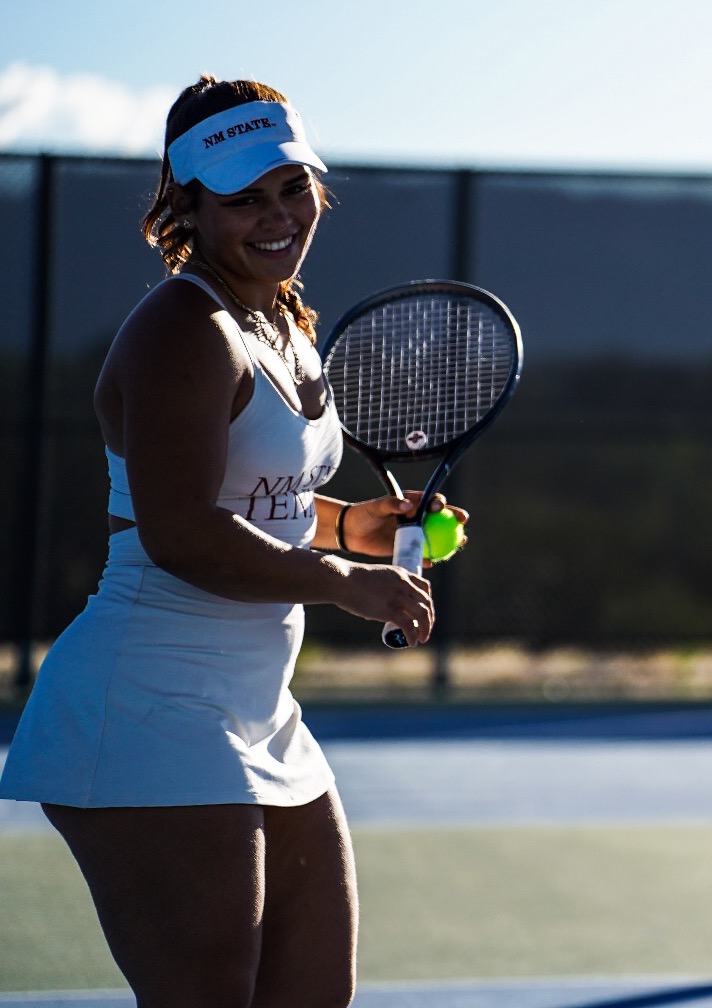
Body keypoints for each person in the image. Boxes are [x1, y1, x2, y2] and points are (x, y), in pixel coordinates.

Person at [0, 76, 463, 1006]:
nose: (276, 215)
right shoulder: (183, 326)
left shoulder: (281, 320)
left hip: (252, 708)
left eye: (291, 186)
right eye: (242, 197)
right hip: (146, 703)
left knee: (312, 994)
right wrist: (342, 581)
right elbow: (177, 532)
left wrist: (358, 529)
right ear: (188, 205)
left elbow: (265, 498)